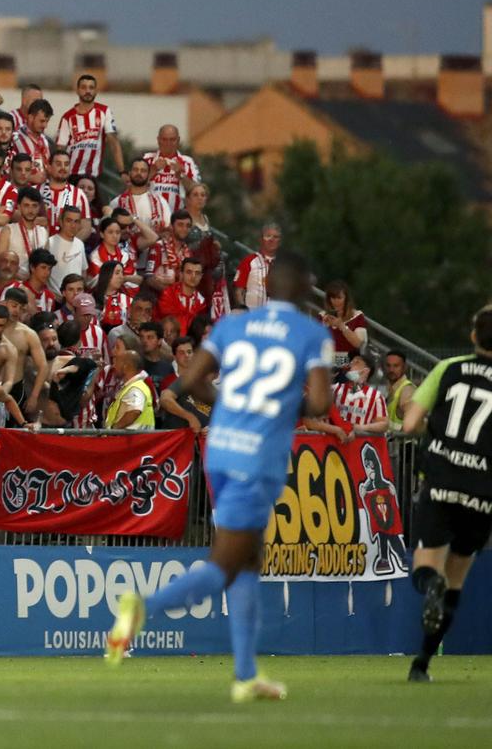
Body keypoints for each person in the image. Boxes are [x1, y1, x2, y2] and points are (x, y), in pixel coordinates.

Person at [105, 254, 332, 701]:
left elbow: (187, 381)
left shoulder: (233, 326)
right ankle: (140, 608)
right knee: (226, 563)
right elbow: (321, 403)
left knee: (248, 560)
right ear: (304, 291)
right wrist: (281, 404)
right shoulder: (311, 334)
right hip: (258, 460)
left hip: (221, 451)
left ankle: (246, 676)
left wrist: (234, 403)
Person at [397, 305, 492, 682]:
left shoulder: (448, 368)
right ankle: (421, 664)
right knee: (457, 578)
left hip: (440, 481)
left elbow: (408, 424)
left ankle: (429, 584)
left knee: (426, 567)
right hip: (482, 492)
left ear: (473, 337)